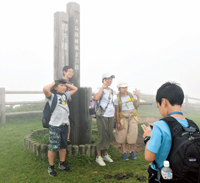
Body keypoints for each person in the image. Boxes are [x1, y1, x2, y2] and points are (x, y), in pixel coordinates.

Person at [141, 82, 199, 182]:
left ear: (164, 102)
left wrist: (148, 138)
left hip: (163, 178)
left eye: (158, 106)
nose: (159, 109)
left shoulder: (160, 126)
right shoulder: (192, 125)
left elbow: (149, 157)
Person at [43, 78, 78, 176]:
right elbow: (45, 89)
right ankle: (51, 167)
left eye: (64, 86)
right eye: (61, 85)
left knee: (63, 146)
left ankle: (62, 164)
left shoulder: (65, 95)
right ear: (55, 88)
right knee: (53, 147)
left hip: (64, 125)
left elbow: (75, 89)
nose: (64, 87)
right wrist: (53, 83)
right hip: (55, 126)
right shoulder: (52, 96)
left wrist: (66, 83)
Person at [114, 81, 140, 160]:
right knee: (123, 134)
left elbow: (137, 105)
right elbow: (117, 111)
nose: (125, 89)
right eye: (123, 88)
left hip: (132, 117)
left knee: (133, 133)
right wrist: (118, 123)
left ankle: (132, 151)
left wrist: (138, 96)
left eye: (126, 87)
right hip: (123, 118)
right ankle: (124, 152)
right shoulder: (117, 99)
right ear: (119, 89)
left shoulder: (131, 95)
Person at [94, 72, 115, 166]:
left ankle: (105, 154)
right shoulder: (99, 89)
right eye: (107, 79)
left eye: (111, 79)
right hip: (102, 115)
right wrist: (102, 87)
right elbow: (96, 98)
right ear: (103, 80)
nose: (109, 80)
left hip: (111, 115)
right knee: (101, 135)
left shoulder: (111, 90)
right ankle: (98, 157)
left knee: (109, 134)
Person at [63, 66, 74, 144]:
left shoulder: (71, 84)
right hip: (59, 104)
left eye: (72, 72)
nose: (71, 73)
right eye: (69, 71)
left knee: (67, 120)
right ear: (64, 72)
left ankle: (67, 138)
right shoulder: (59, 81)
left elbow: (70, 99)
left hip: (66, 104)